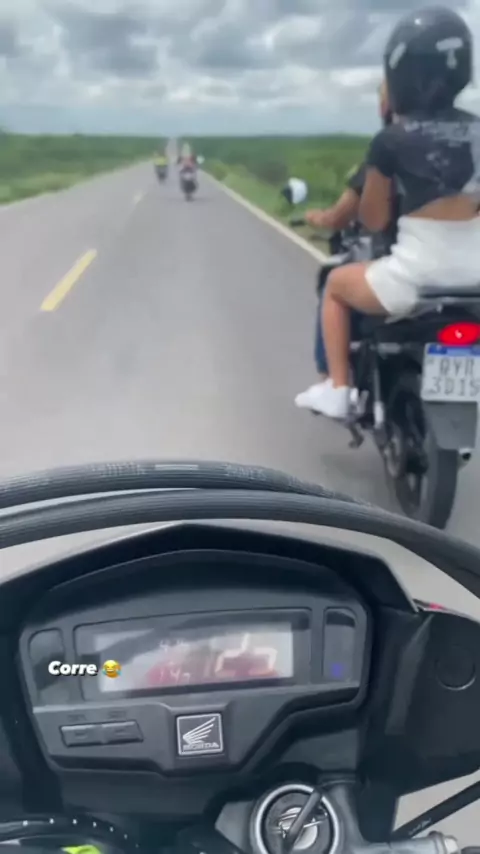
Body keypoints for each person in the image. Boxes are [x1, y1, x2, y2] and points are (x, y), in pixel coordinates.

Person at [295, 6, 480, 420]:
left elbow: (375, 220)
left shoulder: (391, 140)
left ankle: (338, 388)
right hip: (476, 279)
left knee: (336, 286)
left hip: (416, 278)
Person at [296, 83, 392, 401]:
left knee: (333, 283)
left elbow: (354, 216)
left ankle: (334, 384)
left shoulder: (390, 148)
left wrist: (317, 218)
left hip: (404, 265)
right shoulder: (468, 142)